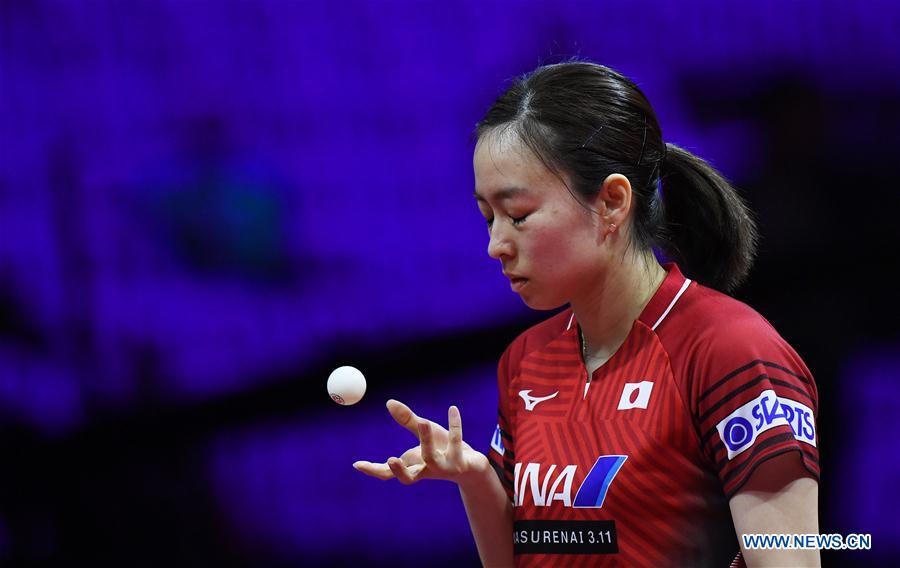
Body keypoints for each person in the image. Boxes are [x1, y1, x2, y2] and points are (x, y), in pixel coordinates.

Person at [353, 61, 820, 567]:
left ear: (612, 202)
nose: (495, 245)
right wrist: (476, 478)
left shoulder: (729, 352)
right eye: (488, 218)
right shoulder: (526, 362)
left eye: (518, 215)